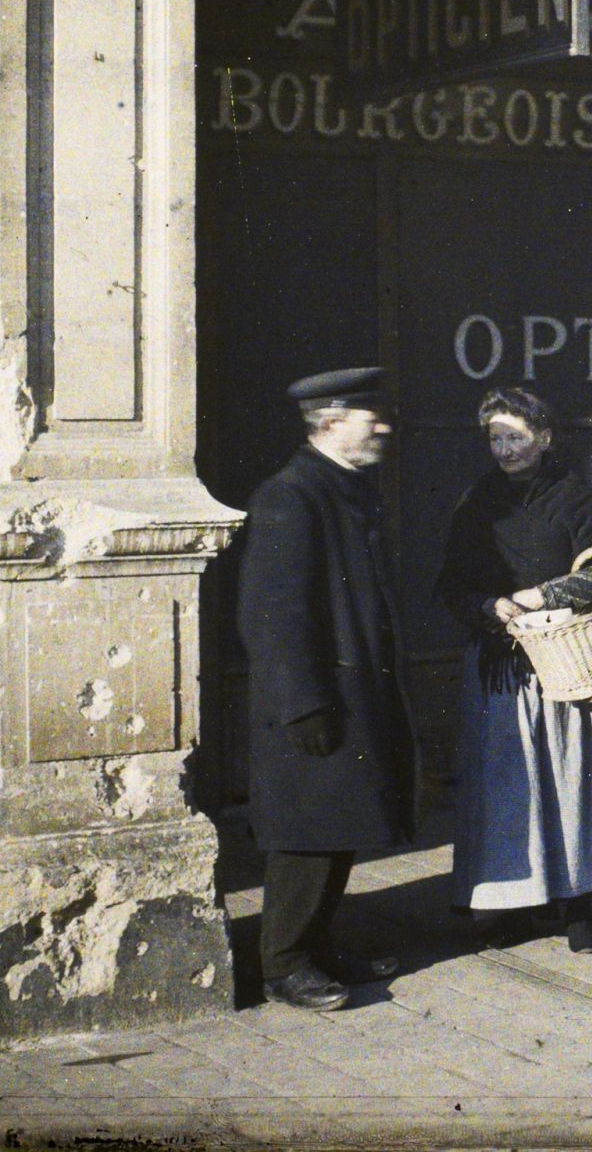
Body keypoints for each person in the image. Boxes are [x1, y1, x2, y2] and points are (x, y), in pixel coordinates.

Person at [435, 386, 592, 954]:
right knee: (509, 788)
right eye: (496, 438)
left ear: (545, 438)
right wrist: (488, 605)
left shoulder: (574, 497)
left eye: (517, 437)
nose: (505, 449)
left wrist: (539, 595)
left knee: (572, 783)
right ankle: (518, 904)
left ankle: (578, 906)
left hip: (568, 664)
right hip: (502, 667)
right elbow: (451, 586)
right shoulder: (477, 502)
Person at [236, 367, 416, 1011]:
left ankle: (317, 946)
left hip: (350, 690)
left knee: (340, 825)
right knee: (306, 834)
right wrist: (304, 703)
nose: (384, 427)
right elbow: (272, 615)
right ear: (331, 422)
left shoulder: (342, 488)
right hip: (313, 702)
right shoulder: (291, 497)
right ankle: (283, 963)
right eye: (372, 417)